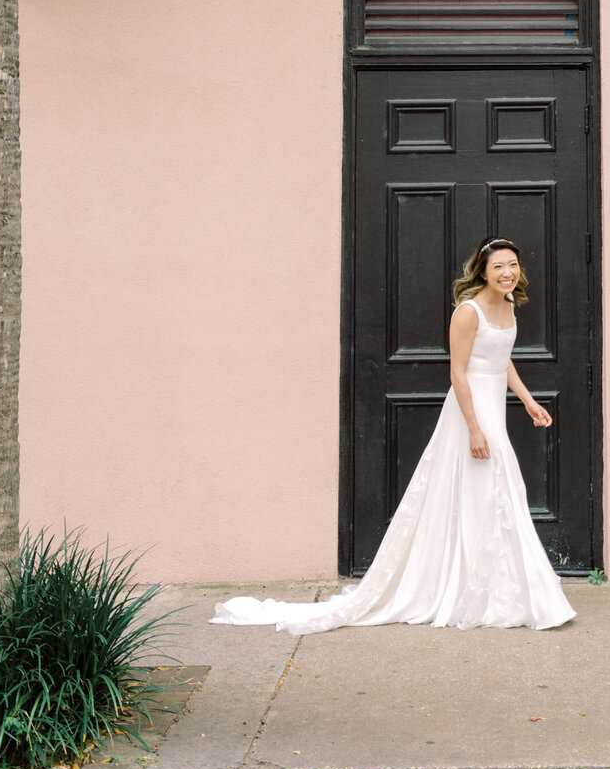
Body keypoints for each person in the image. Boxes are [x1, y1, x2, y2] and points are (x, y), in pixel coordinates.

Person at [211, 237, 575, 633]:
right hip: (470, 411)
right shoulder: (467, 313)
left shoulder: (507, 307)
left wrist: (527, 401)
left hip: (492, 405)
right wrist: (473, 427)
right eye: (498, 266)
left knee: (499, 491)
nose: (508, 272)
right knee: (484, 485)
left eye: (513, 265)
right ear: (483, 273)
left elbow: (503, 363)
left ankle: (499, 590)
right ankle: (463, 589)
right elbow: (458, 372)